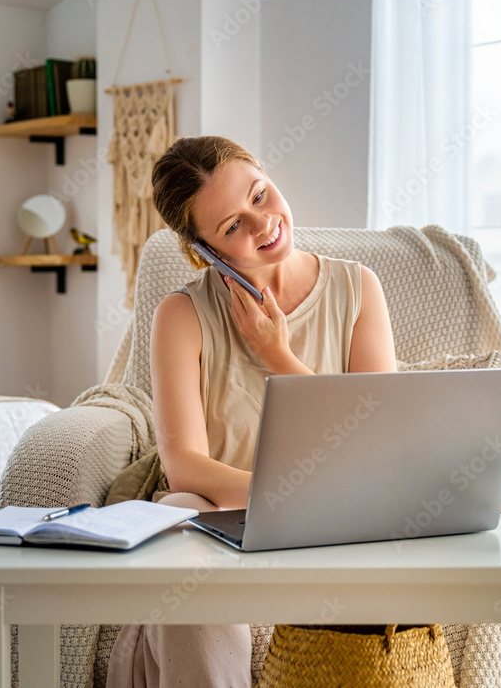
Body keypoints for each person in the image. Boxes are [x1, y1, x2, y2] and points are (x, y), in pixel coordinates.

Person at [105, 135, 397, 687]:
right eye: (232, 226)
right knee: (180, 510)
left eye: (260, 196)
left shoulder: (358, 288)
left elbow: (377, 443)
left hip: (341, 515)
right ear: (203, 251)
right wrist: (290, 498)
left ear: (268, 176)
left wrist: (276, 355)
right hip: (226, 510)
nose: (263, 224)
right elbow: (185, 466)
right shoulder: (181, 316)